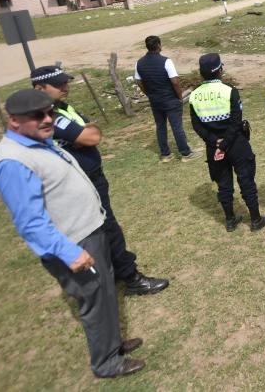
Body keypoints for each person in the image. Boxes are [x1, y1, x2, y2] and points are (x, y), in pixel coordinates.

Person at [0, 89, 146, 379]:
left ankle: (113, 344)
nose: (48, 119)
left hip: (89, 229)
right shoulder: (11, 162)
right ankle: (106, 363)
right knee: (94, 299)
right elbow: (30, 222)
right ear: (13, 121)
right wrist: (69, 252)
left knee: (106, 290)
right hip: (73, 242)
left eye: (49, 112)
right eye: (38, 115)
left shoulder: (39, 141)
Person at [30, 66, 169, 295]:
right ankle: (131, 277)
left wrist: (84, 134)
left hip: (91, 177)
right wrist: (83, 135)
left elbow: (93, 131)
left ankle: (109, 272)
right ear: (38, 88)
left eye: (65, 82)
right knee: (107, 228)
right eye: (58, 84)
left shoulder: (64, 108)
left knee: (100, 228)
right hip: (82, 181)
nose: (65, 87)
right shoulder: (49, 117)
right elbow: (92, 136)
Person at [189, 54, 265, 232]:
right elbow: (236, 121)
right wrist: (225, 143)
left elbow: (196, 124)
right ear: (220, 70)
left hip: (214, 147)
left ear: (201, 73)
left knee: (223, 184)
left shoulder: (194, 96)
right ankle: (256, 219)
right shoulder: (229, 91)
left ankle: (230, 220)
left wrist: (215, 142)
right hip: (235, 144)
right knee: (246, 181)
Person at [134, 36, 198, 162]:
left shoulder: (139, 63)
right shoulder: (166, 61)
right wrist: (179, 97)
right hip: (170, 99)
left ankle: (165, 154)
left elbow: (138, 81)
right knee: (177, 126)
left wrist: (148, 94)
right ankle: (185, 153)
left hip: (155, 100)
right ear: (158, 45)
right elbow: (175, 82)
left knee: (160, 126)